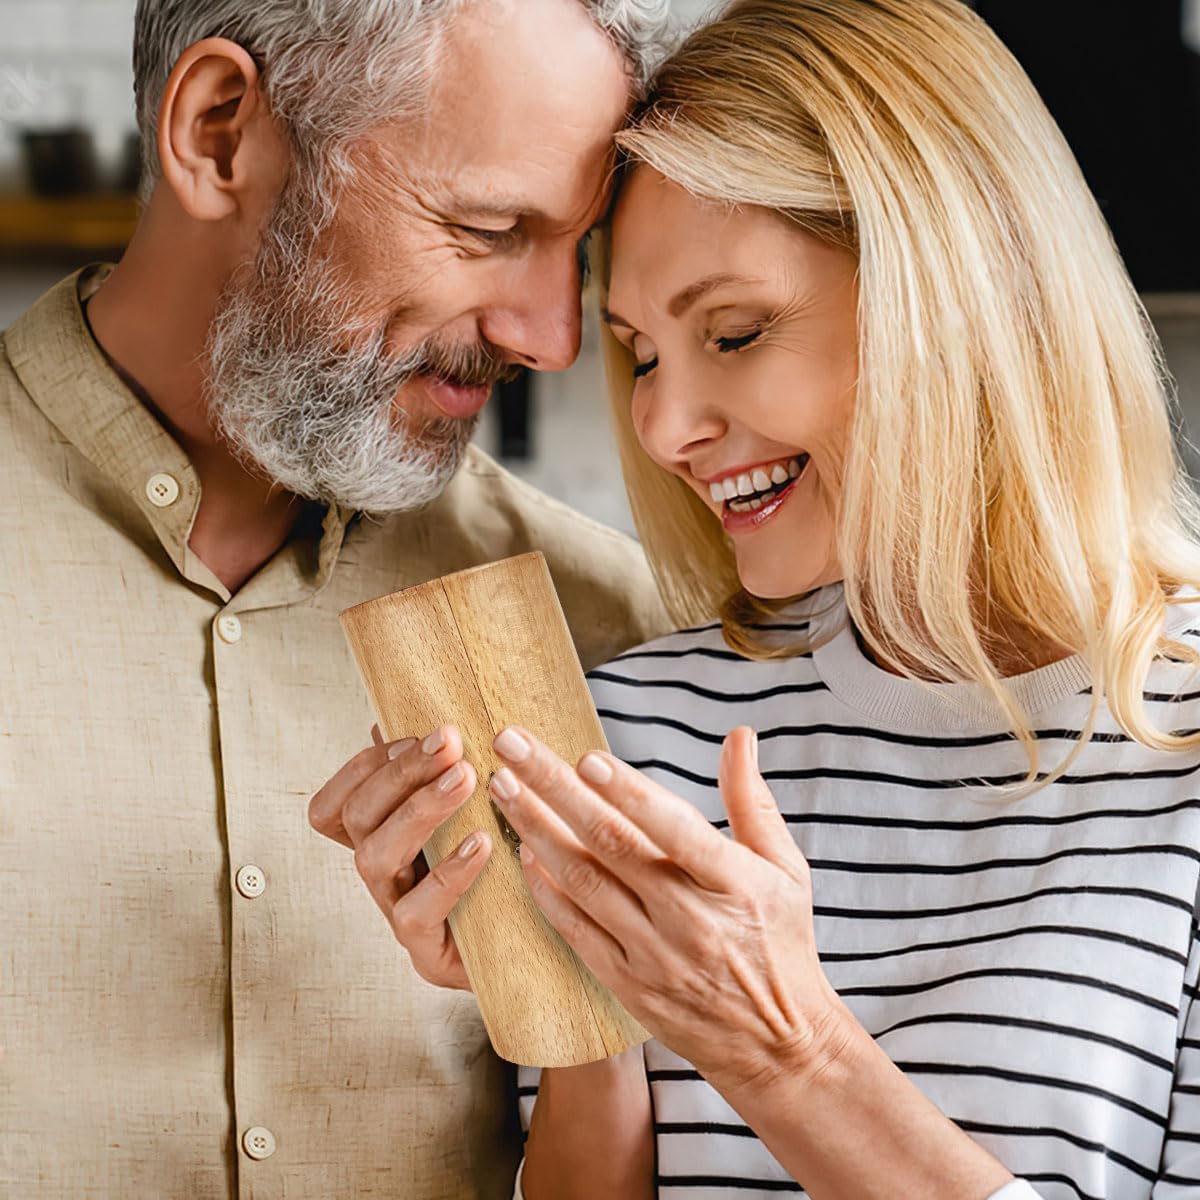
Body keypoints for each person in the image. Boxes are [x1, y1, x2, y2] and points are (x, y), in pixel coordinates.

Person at [312, 0, 1200, 1196]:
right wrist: (578, 1009)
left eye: (734, 331)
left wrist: (787, 1053)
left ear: (958, 297)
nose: (667, 427)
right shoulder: (640, 724)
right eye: (643, 353)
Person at [0, 1, 674, 1196]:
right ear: (218, 134)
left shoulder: (613, 631)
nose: (554, 335)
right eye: (485, 227)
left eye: (575, 249)